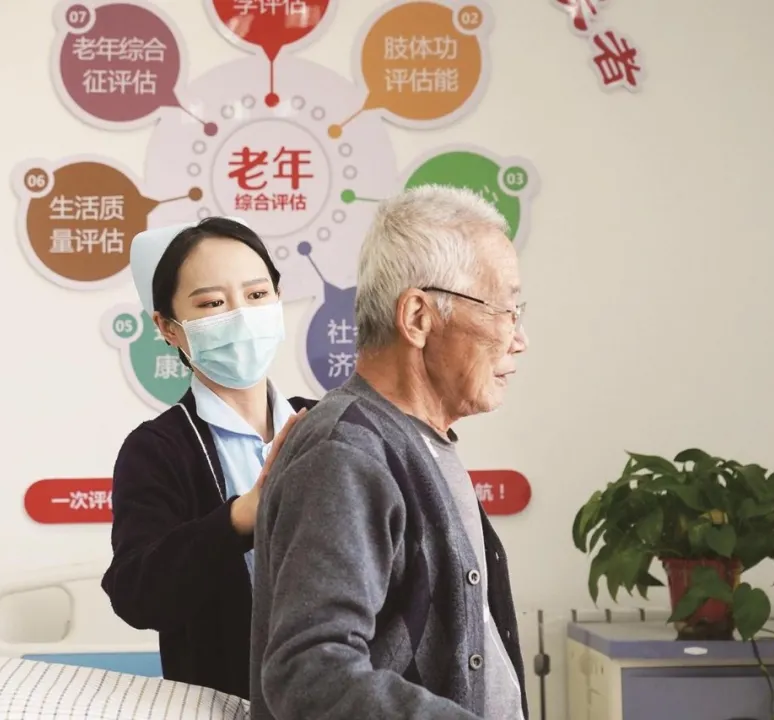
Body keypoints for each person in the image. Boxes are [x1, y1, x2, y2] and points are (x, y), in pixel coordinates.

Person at [249, 185, 531, 719]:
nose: (520, 339)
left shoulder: (417, 441)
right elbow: (309, 672)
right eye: (505, 310)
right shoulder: (345, 453)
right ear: (419, 317)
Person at [101, 216, 315, 700]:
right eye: (213, 303)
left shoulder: (327, 424)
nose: (241, 315)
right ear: (167, 327)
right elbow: (137, 594)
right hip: (224, 703)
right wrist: (241, 517)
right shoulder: (158, 449)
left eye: (257, 295)